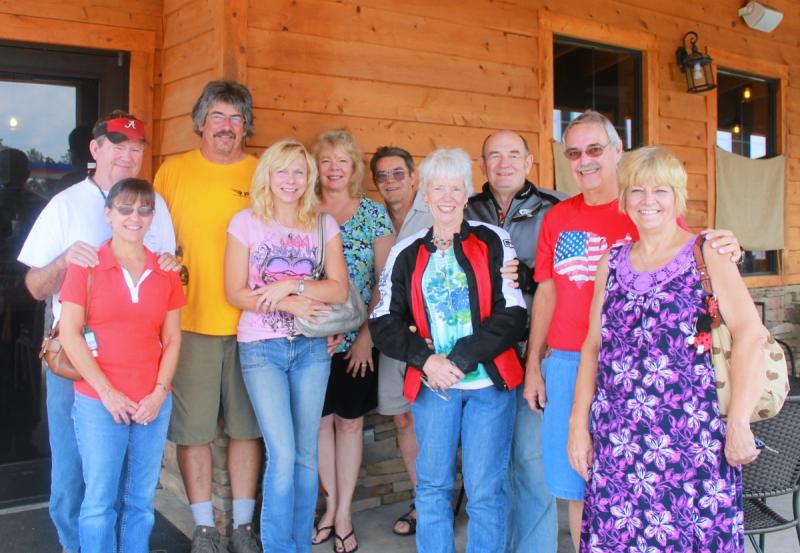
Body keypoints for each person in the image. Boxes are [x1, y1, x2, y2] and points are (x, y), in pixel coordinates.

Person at [524, 110, 743, 550]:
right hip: (568, 361)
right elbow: (546, 292)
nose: (584, 160)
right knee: (578, 484)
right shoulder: (557, 218)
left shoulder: (643, 209)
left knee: (652, 492)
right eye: (573, 153)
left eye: (594, 149)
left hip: (641, 375)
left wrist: (729, 245)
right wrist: (534, 365)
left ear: (616, 151)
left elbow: (689, 258)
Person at [567, 145, 764, 551]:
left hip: (692, 441)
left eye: (661, 190)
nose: (648, 200)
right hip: (619, 442)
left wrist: (739, 422)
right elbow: (593, 347)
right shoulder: (612, 261)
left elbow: (751, 335)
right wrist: (577, 426)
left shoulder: (707, 253)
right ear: (624, 199)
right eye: (637, 190)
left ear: (678, 197)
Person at [18, 111, 176, 553]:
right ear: (95, 149)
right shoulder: (65, 205)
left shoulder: (155, 205)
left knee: (127, 482)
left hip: (137, 362)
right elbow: (34, 287)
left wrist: (173, 264)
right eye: (118, 146)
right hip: (76, 362)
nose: (128, 155)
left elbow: (166, 270)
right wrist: (63, 260)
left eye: (136, 148)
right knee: (72, 476)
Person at [370, 147, 528, 553]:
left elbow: (513, 313)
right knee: (432, 486)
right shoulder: (406, 251)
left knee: (485, 489)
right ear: (425, 194)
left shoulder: (493, 239)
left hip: (488, 386)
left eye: (455, 188)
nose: (446, 197)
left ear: (466, 193)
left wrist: (459, 358)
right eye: (437, 188)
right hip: (433, 386)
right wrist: (426, 360)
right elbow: (383, 321)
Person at [153, 80, 262, 553]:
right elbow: (153, 243)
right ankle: (203, 527)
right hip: (189, 323)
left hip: (253, 325)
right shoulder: (172, 172)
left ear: (246, 127)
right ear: (200, 122)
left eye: (236, 118)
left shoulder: (262, 174)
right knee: (193, 430)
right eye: (217, 116)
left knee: (246, 429)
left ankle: (242, 527)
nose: (227, 126)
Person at [224, 139, 349, 552]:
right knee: (282, 454)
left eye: (299, 171)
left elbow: (338, 289)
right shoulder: (246, 222)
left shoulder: (322, 224)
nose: (291, 180)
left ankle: (299, 545)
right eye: (282, 170)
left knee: (306, 455)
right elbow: (235, 292)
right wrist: (289, 302)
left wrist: (292, 284)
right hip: (262, 348)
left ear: (309, 177)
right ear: (268, 175)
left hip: (312, 349)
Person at [59, 178, 185, 553]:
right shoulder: (86, 266)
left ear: (152, 217)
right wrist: (107, 392)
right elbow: (69, 334)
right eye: (125, 208)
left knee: (140, 502)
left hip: (151, 402)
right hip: (99, 401)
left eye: (144, 209)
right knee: (99, 503)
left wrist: (159, 393)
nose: (135, 217)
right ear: (108, 214)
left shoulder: (166, 271)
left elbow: (173, 339)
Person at [466, 130, 563, 553]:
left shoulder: (555, 208)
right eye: (494, 155)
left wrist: (532, 277)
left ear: (528, 161)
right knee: (490, 466)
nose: (503, 163)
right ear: (482, 164)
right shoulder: (466, 209)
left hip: (534, 352)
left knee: (530, 461)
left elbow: (575, 279)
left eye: (512, 155)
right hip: (483, 355)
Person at [312, 129, 394, 553]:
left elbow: (385, 282)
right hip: (311, 338)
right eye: (326, 160)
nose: (334, 169)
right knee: (319, 423)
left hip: (357, 341)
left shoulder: (373, 214)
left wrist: (365, 337)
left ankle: (344, 513)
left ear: (354, 167)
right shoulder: (304, 210)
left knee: (349, 422)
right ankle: (329, 507)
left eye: (342, 161)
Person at [369, 145, 431, 537]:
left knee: (432, 418)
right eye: (382, 175)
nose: (390, 181)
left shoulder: (434, 210)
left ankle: (436, 500)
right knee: (402, 416)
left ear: (413, 176)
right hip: (391, 334)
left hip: (430, 335)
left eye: (397, 173)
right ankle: (422, 500)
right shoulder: (375, 219)